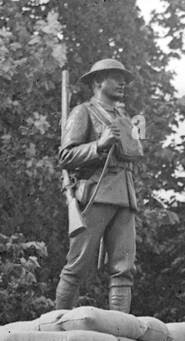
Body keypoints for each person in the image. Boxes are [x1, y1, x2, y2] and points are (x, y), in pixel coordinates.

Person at [54, 58, 143, 313]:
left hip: (124, 196)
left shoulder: (125, 119)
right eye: (116, 77)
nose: (123, 83)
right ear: (97, 82)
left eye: (124, 79)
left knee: (124, 268)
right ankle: (58, 324)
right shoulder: (83, 112)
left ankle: (119, 328)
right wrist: (99, 145)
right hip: (96, 194)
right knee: (78, 264)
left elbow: (135, 152)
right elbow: (65, 156)